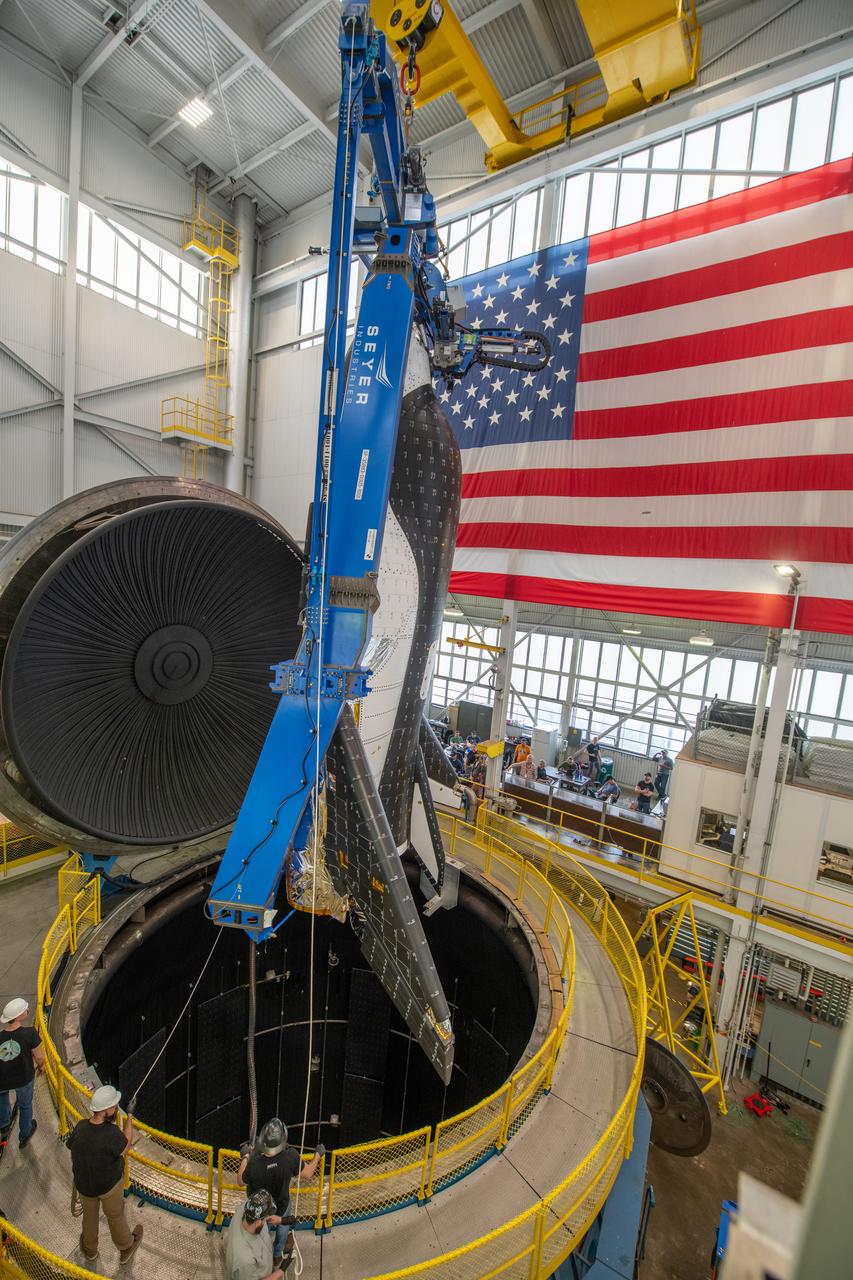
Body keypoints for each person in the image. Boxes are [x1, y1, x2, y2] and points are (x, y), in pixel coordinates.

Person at [67, 1084, 142, 1265]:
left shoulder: (81, 1126)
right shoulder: (111, 1133)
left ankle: (90, 1249)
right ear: (106, 1110)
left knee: (89, 1219)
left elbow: (71, 1145)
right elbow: (125, 1147)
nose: (116, 1109)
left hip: (85, 1185)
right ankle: (126, 1248)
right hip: (109, 1186)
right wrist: (129, 1116)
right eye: (114, 1106)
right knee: (115, 1217)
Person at [239, 1119, 323, 1269]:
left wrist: (245, 1156)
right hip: (281, 1204)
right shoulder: (290, 1156)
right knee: (283, 1227)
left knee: (259, 1231)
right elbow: (308, 1173)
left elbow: (241, 1181)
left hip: (260, 1210)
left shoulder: (254, 1163)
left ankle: (258, 1257)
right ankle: (277, 1254)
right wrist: (317, 1155)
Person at [0, 997, 44, 1150]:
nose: (27, 1010)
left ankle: (4, 1125)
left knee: (2, 1099)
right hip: (24, 1078)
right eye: (25, 1009)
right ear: (18, 1016)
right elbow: (39, 1057)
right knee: (25, 1106)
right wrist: (41, 1067)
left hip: (2, 1080)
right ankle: (25, 1134)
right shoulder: (30, 1033)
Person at [225, 1190, 287, 1280]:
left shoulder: (246, 1209)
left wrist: (282, 1220)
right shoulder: (245, 1260)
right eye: (265, 1218)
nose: (266, 1219)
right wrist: (282, 1270)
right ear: (257, 1222)